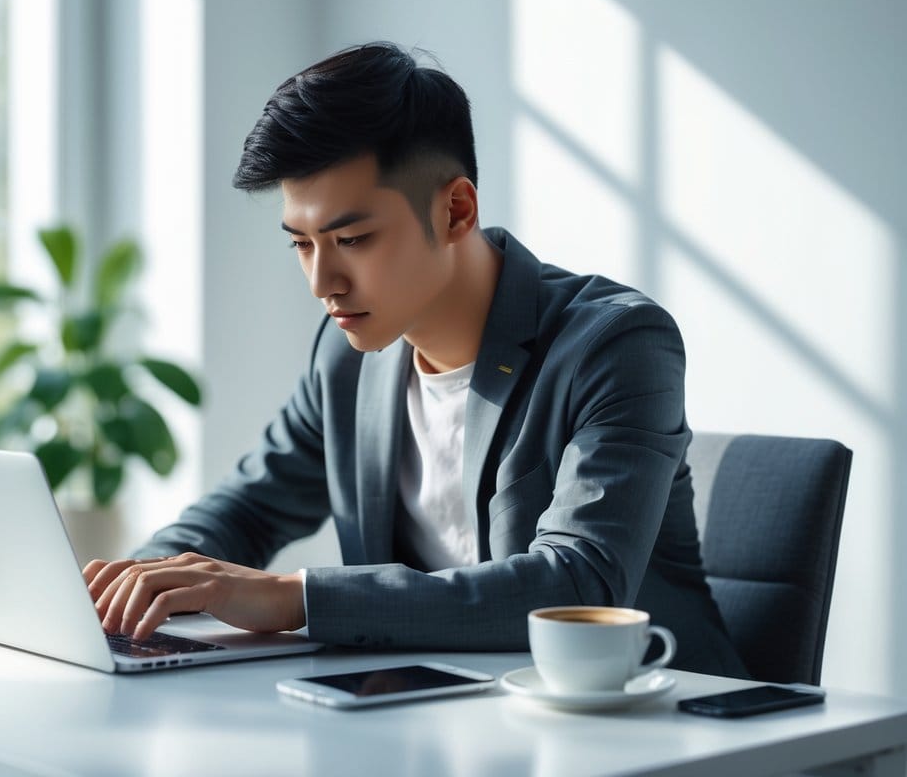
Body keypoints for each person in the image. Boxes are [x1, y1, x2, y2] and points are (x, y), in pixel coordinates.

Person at [83, 42, 747, 677]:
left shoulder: (614, 343)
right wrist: (138, 581)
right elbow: (250, 508)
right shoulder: (345, 363)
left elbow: (578, 581)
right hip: (438, 716)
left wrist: (295, 597)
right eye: (302, 244)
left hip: (655, 723)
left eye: (351, 238)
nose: (323, 283)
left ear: (455, 209)